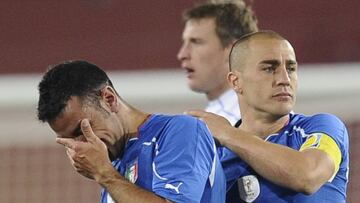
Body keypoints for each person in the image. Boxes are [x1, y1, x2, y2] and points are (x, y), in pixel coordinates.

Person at [187, 30, 349, 202]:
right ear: (236, 81)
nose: (284, 79)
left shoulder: (323, 128)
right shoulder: (214, 160)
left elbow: (308, 176)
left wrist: (228, 134)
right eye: (269, 69)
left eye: (291, 68)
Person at [36, 60, 226, 203]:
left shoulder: (181, 131)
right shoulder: (115, 169)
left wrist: (104, 174)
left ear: (109, 99)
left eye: (82, 129)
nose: (81, 146)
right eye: (69, 141)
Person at [177, 0, 258, 125]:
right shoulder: (218, 115)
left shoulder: (243, 122)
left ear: (232, 51)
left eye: (196, 42)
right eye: (185, 42)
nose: (182, 55)